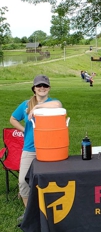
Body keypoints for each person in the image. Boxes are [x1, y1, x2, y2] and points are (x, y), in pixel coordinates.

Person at [9, 75, 62, 221]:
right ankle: (29, 213)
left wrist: (37, 107)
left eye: (45, 86)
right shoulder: (25, 104)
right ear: (34, 88)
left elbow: (58, 106)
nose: (42, 88)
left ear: (49, 88)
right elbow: (12, 118)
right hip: (30, 148)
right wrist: (23, 130)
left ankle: (50, 210)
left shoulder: (53, 102)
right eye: (39, 86)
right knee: (23, 181)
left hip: (50, 148)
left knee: (50, 180)